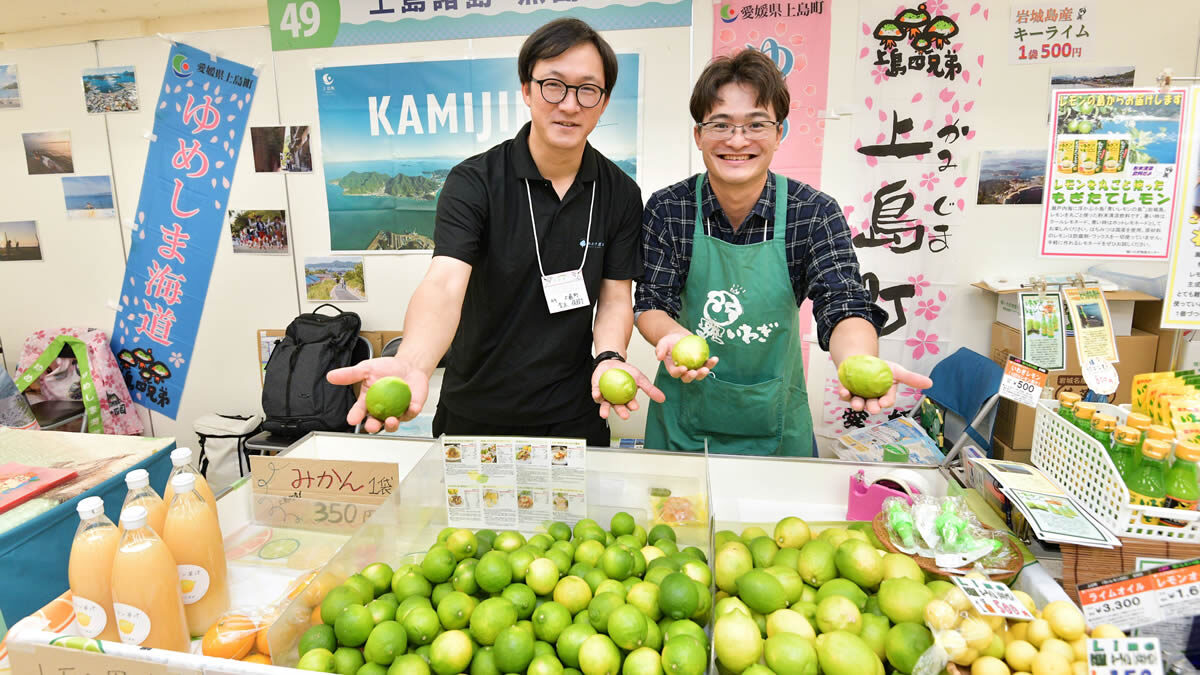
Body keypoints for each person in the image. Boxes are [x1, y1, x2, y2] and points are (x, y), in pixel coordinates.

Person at [328, 18, 661, 446]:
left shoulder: (620, 192)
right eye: (553, 85)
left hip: (574, 413)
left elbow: (615, 297)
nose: (569, 104)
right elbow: (444, 284)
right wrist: (412, 361)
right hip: (475, 411)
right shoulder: (475, 181)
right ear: (527, 89)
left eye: (587, 90)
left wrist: (611, 356)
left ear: (604, 101)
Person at [634, 50, 932, 457]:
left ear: (779, 134)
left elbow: (842, 301)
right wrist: (672, 336)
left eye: (756, 124)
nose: (737, 140)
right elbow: (652, 302)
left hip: (775, 426)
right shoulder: (669, 208)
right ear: (699, 135)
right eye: (720, 124)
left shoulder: (813, 212)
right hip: (683, 421)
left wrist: (857, 362)